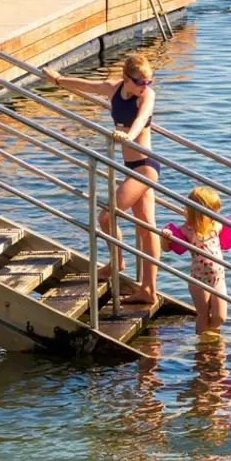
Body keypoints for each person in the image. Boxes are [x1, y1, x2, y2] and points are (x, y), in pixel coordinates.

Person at [45, 51, 162, 306]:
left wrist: (128, 136)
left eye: (149, 82)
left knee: (107, 216)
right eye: (140, 82)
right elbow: (87, 85)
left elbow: (142, 119)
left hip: (145, 167)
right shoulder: (114, 89)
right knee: (145, 226)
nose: (145, 87)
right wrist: (58, 80)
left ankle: (116, 263)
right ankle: (148, 290)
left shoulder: (147, 97)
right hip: (130, 166)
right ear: (126, 77)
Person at [176, 185, 231, 333]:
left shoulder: (216, 225)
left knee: (220, 316)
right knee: (203, 316)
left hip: (218, 279)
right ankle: (202, 345)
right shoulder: (188, 230)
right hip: (199, 281)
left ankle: (209, 335)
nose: (217, 213)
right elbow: (170, 244)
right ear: (199, 212)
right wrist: (166, 235)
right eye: (213, 210)